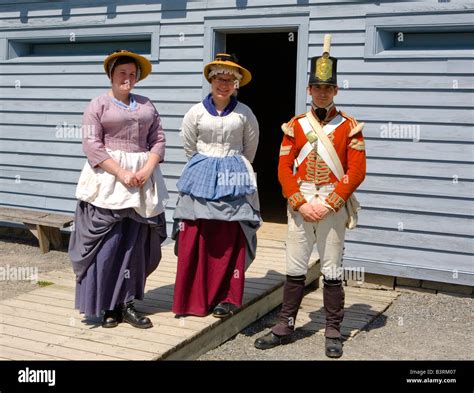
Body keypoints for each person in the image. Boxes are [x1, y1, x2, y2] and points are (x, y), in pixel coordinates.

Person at [254, 35, 366, 358]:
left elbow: (356, 172)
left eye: (327, 88)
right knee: (294, 268)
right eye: (317, 88)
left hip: (332, 204)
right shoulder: (295, 126)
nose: (322, 93)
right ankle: (285, 325)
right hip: (300, 204)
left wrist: (330, 203)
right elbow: (283, 168)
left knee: (331, 270)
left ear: (335, 91)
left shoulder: (350, 128)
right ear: (309, 91)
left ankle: (333, 330)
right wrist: (300, 201)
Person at [69, 50, 168, 329]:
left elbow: (158, 139)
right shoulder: (98, 105)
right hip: (108, 181)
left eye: (132, 74)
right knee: (109, 245)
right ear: (111, 75)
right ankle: (107, 306)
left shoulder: (147, 105)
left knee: (134, 245)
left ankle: (127, 303)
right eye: (122, 73)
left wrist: (147, 169)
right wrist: (122, 172)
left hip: (141, 181)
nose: (128, 78)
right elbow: (92, 145)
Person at [172, 53, 261, 318]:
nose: (224, 84)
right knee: (198, 234)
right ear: (211, 80)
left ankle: (228, 297)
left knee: (230, 235)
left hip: (234, 176)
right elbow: (189, 145)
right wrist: (206, 167)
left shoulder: (245, 113)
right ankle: (194, 297)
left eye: (229, 79)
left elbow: (250, 148)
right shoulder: (195, 112)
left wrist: (232, 167)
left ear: (236, 83)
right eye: (219, 78)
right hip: (200, 176)